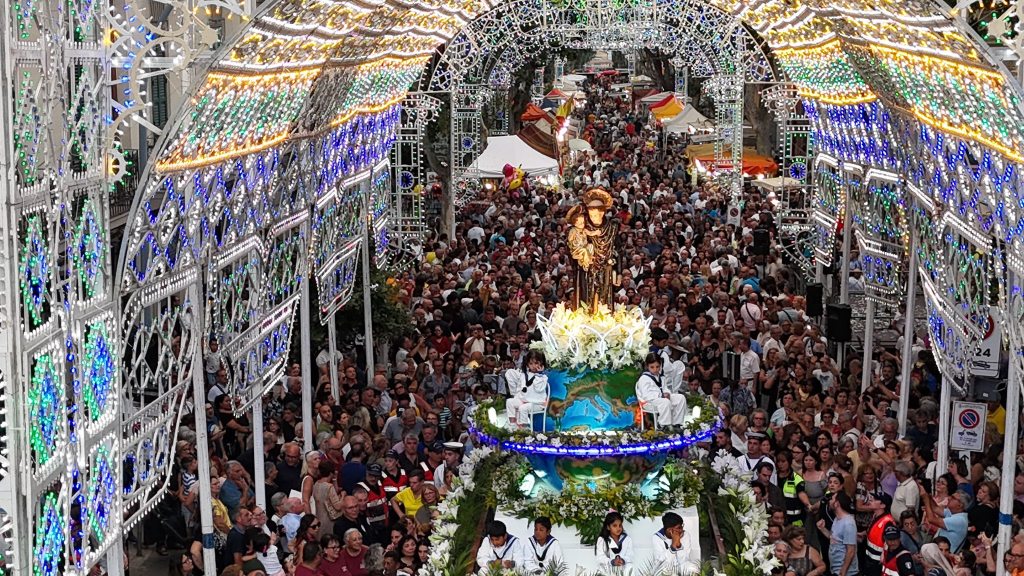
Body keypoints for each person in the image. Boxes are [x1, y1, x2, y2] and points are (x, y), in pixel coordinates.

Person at [635, 353, 687, 427]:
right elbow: (646, 395)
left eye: (657, 367)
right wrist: (661, 395)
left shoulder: (661, 377)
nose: (655, 369)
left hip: (661, 399)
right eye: (652, 367)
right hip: (649, 402)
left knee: (681, 398)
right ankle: (664, 425)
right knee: (665, 402)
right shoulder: (644, 378)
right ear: (647, 366)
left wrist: (667, 393)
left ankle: (677, 423)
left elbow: (665, 388)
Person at [504, 350, 549, 429]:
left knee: (523, 408)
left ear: (541, 363)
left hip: (537, 403)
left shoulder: (543, 377)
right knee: (509, 402)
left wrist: (539, 374)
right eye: (531, 363)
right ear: (527, 364)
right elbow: (521, 389)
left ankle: (524, 428)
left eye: (536, 363)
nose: (533, 366)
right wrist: (517, 397)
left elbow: (539, 389)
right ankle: (513, 424)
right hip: (524, 400)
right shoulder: (524, 374)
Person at [821, 491, 858, 576]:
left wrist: (843, 571)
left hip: (846, 573)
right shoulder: (837, 519)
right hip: (836, 570)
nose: (829, 501)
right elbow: (833, 538)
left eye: (832, 499)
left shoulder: (848, 523)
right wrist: (822, 529)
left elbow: (851, 551)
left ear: (837, 504)